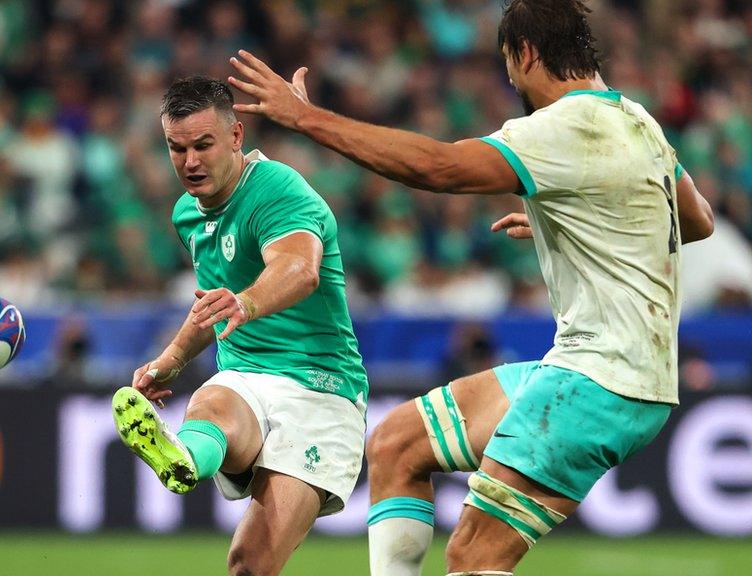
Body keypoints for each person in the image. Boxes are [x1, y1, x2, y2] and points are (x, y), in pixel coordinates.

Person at [226, 1, 715, 574]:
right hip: (602, 372)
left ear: (527, 53)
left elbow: (440, 167)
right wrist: (582, 213)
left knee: (474, 555)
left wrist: (307, 119)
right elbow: (698, 217)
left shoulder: (565, 125)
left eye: (510, 69)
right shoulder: (638, 121)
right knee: (395, 443)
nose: (513, 85)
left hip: (601, 383)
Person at [111, 76, 369, 576]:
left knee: (249, 565)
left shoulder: (277, 188)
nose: (190, 162)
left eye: (203, 145)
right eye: (176, 147)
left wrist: (246, 304)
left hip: (321, 389)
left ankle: (192, 451)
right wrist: (169, 362)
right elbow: (214, 306)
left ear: (235, 136)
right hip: (246, 378)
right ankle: (185, 456)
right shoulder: (188, 213)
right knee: (211, 398)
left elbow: (300, 269)